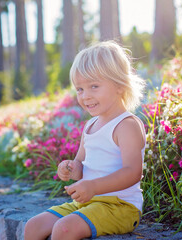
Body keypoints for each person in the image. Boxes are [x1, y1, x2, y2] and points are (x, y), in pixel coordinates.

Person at [24, 41, 146, 240]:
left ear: (119, 85)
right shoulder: (90, 126)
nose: (85, 96)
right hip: (88, 203)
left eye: (94, 86)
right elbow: (80, 165)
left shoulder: (127, 125)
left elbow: (133, 172)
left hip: (120, 206)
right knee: (33, 226)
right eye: (80, 89)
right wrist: (70, 168)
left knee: (64, 229)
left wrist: (93, 187)